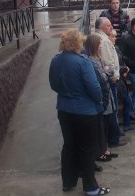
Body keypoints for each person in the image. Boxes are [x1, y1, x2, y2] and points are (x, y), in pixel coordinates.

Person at [49, 29, 110, 195]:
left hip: (64, 110)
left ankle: (68, 182)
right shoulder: (82, 62)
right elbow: (95, 89)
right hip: (85, 112)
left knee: (69, 145)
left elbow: (53, 85)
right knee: (86, 149)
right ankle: (91, 188)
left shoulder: (55, 60)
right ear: (77, 43)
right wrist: (97, 101)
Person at [84, 34, 119, 163]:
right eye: (99, 43)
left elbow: (107, 70)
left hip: (106, 95)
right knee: (101, 126)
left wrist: (107, 71)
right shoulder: (90, 61)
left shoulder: (97, 58)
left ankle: (104, 149)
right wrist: (107, 72)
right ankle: (100, 152)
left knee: (105, 125)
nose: (101, 46)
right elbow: (102, 77)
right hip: (100, 98)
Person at [93, 17, 127, 147]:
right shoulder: (104, 41)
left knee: (111, 111)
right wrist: (115, 77)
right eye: (108, 25)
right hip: (110, 81)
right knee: (112, 110)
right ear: (101, 27)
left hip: (107, 79)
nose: (111, 27)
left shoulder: (100, 37)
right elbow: (109, 63)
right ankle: (114, 139)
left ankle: (113, 135)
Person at [110, 29, 135, 132]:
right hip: (116, 80)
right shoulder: (108, 49)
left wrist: (125, 68)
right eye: (112, 36)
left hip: (121, 79)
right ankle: (116, 130)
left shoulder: (115, 47)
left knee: (128, 101)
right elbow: (111, 65)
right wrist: (123, 69)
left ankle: (126, 124)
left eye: (115, 36)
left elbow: (120, 60)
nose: (115, 38)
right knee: (115, 106)